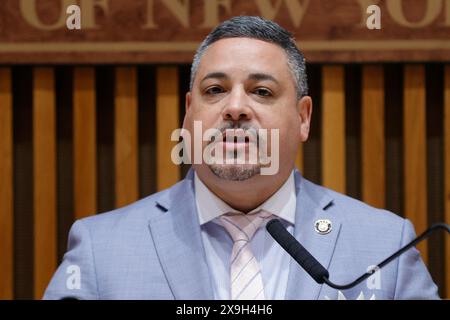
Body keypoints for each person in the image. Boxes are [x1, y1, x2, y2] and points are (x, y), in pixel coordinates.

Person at [44, 16, 438, 300]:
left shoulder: (386, 247)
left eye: (261, 92)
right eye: (215, 90)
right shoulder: (101, 248)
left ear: (303, 118)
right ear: (188, 112)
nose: (235, 108)